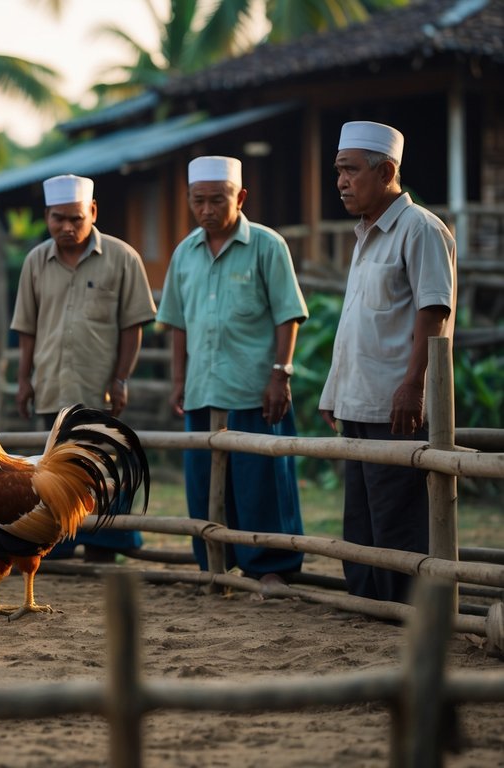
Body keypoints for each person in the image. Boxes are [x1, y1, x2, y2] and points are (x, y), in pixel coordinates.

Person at [156, 156, 309, 594]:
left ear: (240, 197)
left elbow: (288, 314)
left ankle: (273, 568)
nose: (206, 209)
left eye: (216, 199)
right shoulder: (184, 252)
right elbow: (178, 325)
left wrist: (281, 374)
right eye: (198, 200)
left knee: (263, 484)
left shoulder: (266, 245)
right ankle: (215, 566)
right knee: (206, 486)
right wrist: (179, 380)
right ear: (188, 199)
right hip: (204, 391)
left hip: (255, 390)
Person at [319, 121, 456, 604]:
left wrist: (413, 386)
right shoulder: (365, 235)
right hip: (359, 402)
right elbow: (357, 324)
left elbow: (433, 312)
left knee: (397, 515)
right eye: (338, 171)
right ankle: (366, 605)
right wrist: (334, 391)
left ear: (387, 171)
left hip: (397, 406)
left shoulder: (419, 229)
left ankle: (402, 610)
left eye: (350, 171)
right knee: (359, 516)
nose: (340, 182)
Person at [12, 174, 157, 562]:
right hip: (50, 384)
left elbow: (133, 325)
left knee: (104, 466)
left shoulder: (123, 257)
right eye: (58, 218)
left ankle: (105, 546)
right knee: (52, 473)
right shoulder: (35, 262)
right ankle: (56, 545)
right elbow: (26, 327)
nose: (67, 226)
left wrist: (121, 378)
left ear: (92, 211)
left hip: (99, 387)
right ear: (47, 216)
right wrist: (23, 380)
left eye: (76, 218)